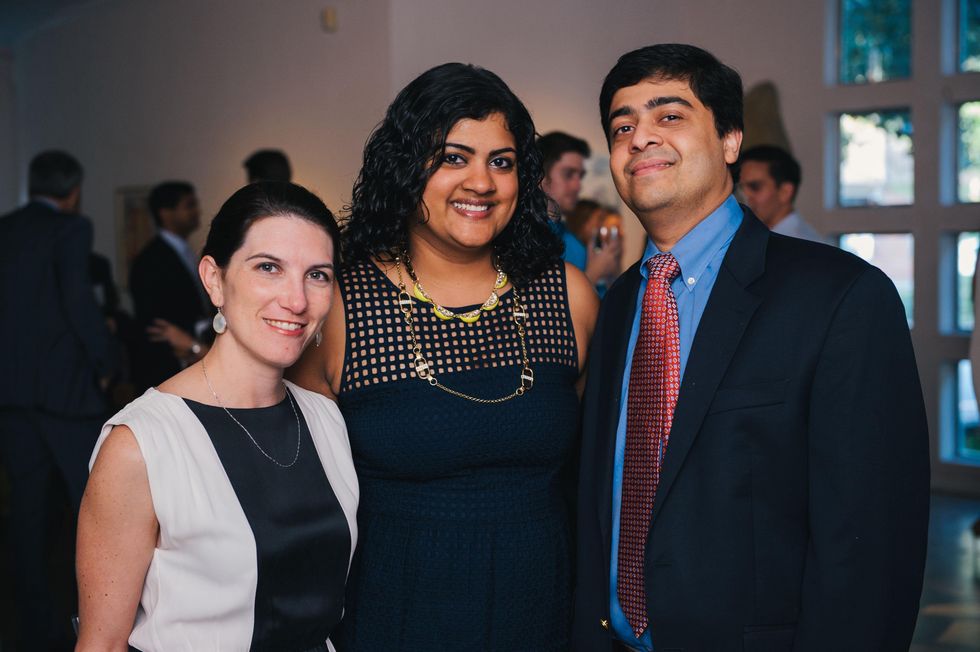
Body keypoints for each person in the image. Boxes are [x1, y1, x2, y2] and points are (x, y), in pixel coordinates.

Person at [573, 43, 930, 651]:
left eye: (670, 116)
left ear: (732, 140)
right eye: (622, 125)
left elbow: (870, 543)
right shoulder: (620, 302)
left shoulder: (840, 298)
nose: (639, 138)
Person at [290, 62, 598, 650]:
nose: (480, 182)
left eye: (501, 162)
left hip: (544, 613)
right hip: (395, 613)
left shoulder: (570, 296)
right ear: (406, 168)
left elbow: (595, 474)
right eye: (453, 157)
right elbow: (295, 492)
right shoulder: (340, 306)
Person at [76, 182, 358, 651]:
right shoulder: (142, 443)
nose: (296, 300)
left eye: (318, 275)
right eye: (268, 268)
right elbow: (101, 643)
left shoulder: (325, 419)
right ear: (213, 279)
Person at [0, 150, 113, 651]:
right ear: (73, 190)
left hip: (12, 395)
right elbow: (78, 303)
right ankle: (96, 617)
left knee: (26, 513)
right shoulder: (71, 229)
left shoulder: (5, 229)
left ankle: (33, 627)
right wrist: (109, 361)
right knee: (95, 506)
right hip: (66, 394)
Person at [129, 181, 211, 391]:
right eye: (189, 205)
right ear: (166, 213)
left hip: (198, 355)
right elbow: (155, 324)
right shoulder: (150, 260)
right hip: (169, 366)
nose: (197, 211)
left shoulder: (189, 252)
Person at [539, 131, 622, 289]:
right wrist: (594, 274)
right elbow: (543, 310)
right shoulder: (524, 241)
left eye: (580, 176)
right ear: (540, 176)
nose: (578, 186)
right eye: (568, 174)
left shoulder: (570, 239)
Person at [737, 144, 825, 243]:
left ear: (785, 192)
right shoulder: (758, 237)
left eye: (755, 187)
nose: (745, 196)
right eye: (740, 188)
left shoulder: (801, 245)